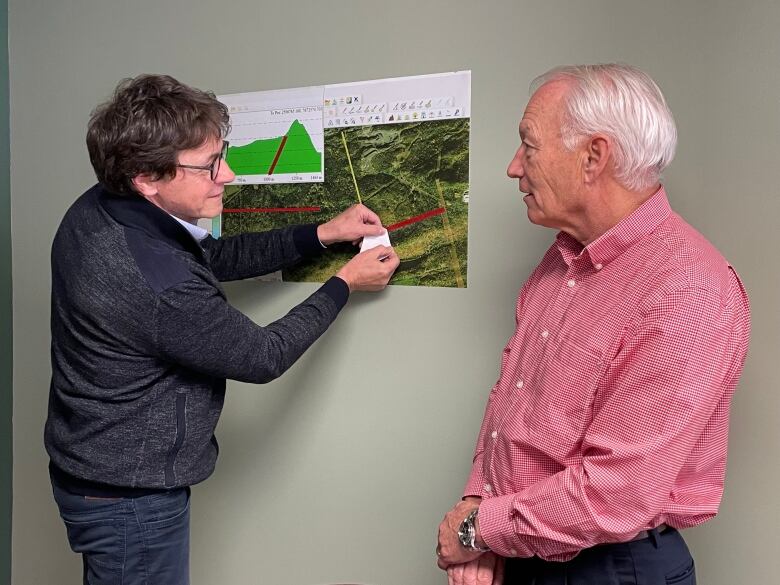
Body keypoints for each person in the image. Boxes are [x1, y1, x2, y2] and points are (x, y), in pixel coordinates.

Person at [44, 73, 399, 585]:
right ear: (147, 176)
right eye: (210, 164)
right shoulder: (157, 282)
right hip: (130, 497)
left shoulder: (104, 205)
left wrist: (321, 235)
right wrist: (345, 282)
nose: (227, 174)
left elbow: (208, 258)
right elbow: (262, 355)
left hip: (97, 471)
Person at [436, 63, 750, 585]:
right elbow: (510, 400)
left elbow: (615, 494)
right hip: (521, 547)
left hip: (610, 568)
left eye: (528, 146)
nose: (515, 167)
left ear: (593, 157)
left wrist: (476, 530)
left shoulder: (688, 289)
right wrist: (479, 504)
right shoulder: (560, 261)